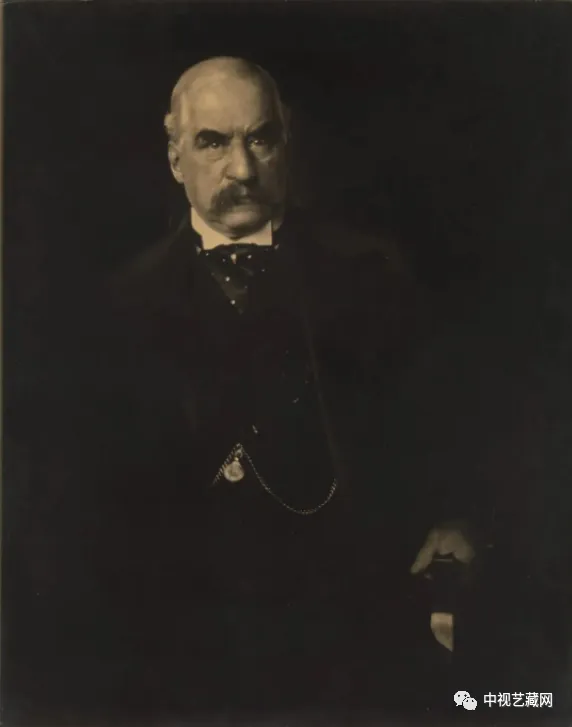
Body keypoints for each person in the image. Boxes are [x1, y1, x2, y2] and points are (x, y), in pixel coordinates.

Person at [4, 57, 481, 724]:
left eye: (260, 139)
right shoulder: (116, 305)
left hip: (342, 637)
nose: (242, 169)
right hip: (172, 647)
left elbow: (449, 430)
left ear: (286, 145)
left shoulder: (371, 276)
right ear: (175, 159)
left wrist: (457, 518)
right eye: (213, 142)